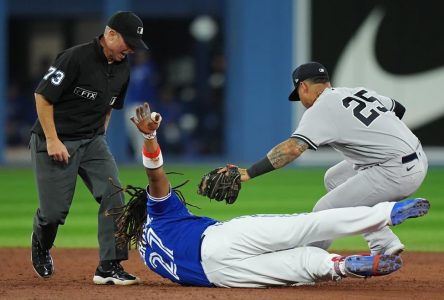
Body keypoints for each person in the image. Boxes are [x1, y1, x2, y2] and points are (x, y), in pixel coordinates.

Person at [110, 102, 430, 288]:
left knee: (294, 267)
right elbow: (155, 176)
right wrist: (150, 137)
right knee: (307, 225)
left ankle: (341, 266)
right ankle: (386, 213)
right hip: (218, 238)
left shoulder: (149, 258)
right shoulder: (159, 210)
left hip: (217, 275)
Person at [236, 62, 428, 255]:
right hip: (416, 157)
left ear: (303, 86)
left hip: (395, 170)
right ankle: (383, 241)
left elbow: (292, 149)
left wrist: (249, 173)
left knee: (324, 210)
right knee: (334, 178)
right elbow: (398, 109)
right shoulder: (355, 92)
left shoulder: (321, 108)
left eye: (299, 94)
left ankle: (307, 264)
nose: (301, 100)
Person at [30, 11, 150, 285]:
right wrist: (52, 139)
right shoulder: (74, 57)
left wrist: (100, 137)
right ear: (110, 35)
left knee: (114, 195)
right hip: (55, 139)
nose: (131, 49)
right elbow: (42, 96)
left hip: (92, 140)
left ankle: (109, 265)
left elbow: (108, 106)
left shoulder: (123, 67)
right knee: (53, 213)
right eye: (128, 42)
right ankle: (40, 239)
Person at [124, 51, 159, 160]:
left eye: (142, 55)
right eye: (139, 55)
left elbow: (151, 89)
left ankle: (146, 156)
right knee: (131, 131)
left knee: (143, 131)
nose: (140, 57)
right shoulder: (134, 70)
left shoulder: (149, 69)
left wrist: (151, 104)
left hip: (142, 104)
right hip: (131, 104)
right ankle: (139, 156)